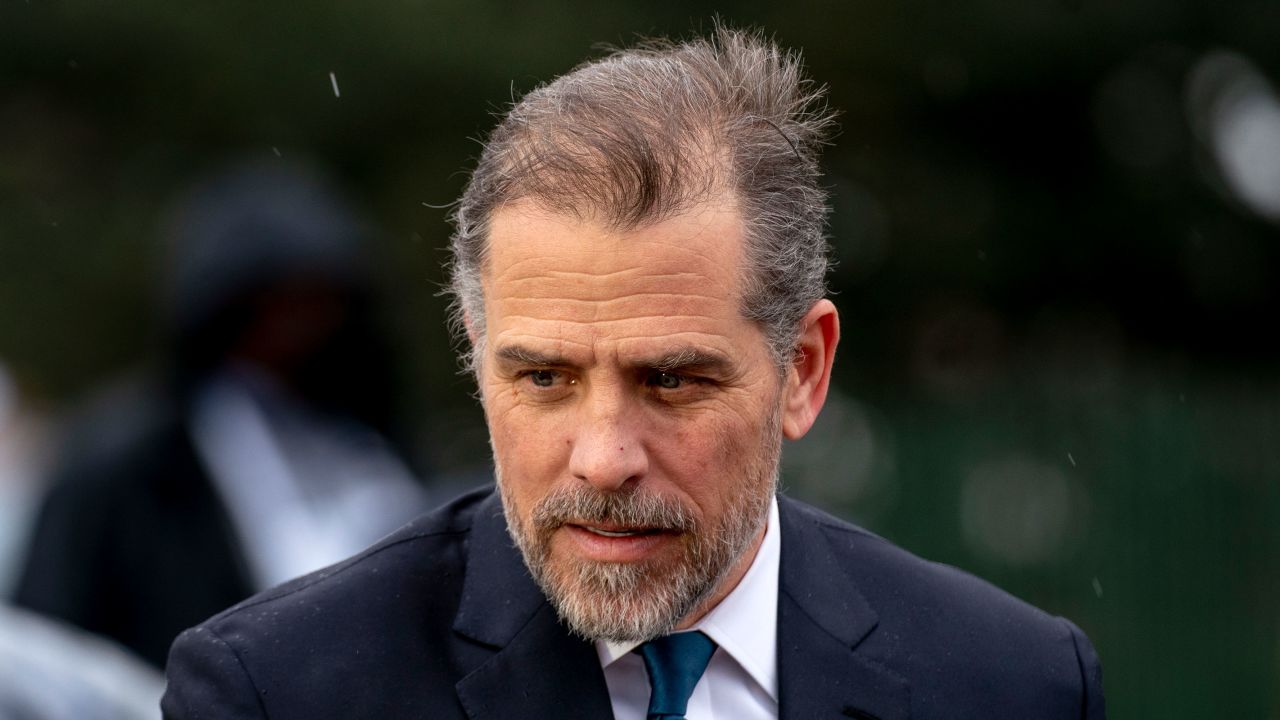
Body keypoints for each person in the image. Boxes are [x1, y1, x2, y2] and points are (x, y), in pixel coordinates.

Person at [162, 27, 1105, 719]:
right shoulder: (280, 694)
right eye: (543, 379)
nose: (604, 458)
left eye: (671, 381)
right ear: (476, 356)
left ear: (803, 372)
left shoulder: (1011, 684)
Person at [16, 159, 431, 668]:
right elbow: (47, 645)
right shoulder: (129, 461)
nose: (302, 329)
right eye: (278, 306)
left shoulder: (366, 441)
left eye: (317, 303)